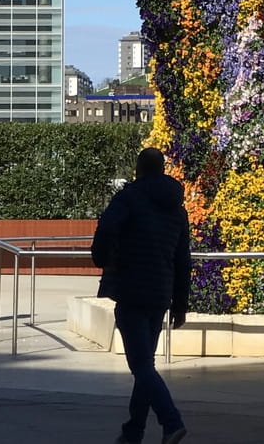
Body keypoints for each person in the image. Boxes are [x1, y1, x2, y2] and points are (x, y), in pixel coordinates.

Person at [91, 146, 191, 444]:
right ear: (162, 169)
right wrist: (181, 303)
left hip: (131, 288)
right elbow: (183, 259)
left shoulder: (129, 197)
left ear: (138, 169)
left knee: (141, 365)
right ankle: (133, 430)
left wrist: (103, 257)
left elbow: (107, 227)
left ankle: (171, 421)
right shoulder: (178, 209)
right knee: (145, 362)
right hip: (160, 293)